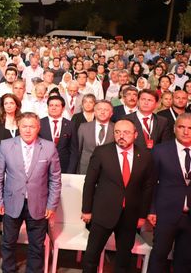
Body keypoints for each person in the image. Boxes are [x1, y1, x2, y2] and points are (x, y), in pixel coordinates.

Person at [81, 120, 155, 273]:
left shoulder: (145, 155)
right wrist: (86, 210)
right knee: (91, 256)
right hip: (103, 213)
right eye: (117, 132)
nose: (121, 136)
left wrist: (142, 215)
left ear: (135, 135)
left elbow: (148, 187)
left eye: (126, 132)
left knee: (124, 258)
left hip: (130, 215)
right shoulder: (102, 152)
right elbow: (89, 182)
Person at [0, 112, 61, 273]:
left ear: (38, 128)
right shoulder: (6, 145)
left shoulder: (49, 147)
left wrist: (52, 204)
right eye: (24, 126)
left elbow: (55, 179)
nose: (28, 130)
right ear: (18, 127)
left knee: (36, 245)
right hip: (11, 202)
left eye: (32, 126)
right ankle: (8, 270)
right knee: (8, 242)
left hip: (39, 204)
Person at [147, 114, 191, 272]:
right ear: (174, 129)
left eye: (190, 128)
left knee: (186, 259)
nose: (186, 132)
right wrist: (151, 210)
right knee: (159, 255)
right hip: (166, 213)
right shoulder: (160, 151)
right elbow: (150, 183)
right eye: (181, 127)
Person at [39, 95, 78, 173]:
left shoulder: (70, 125)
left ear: (63, 108)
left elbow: (74, 151)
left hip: (64, 167)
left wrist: (70, 171)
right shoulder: (39, 123)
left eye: (57, 105)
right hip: (42, 167)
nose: (53, 108)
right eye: (51, 105)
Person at [76, 100, 115, 174]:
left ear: (111, 114)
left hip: (108, 170)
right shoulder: (83, 127)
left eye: (106, 110)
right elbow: (78, 150)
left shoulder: (116, 128)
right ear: (94, 112)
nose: (102, 112)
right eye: (99, 109)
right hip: (85, 168)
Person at [0, 93, 21, 165]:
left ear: (16, 105)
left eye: (11, 103)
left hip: (18, 159)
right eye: (6, 103)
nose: (8, 106)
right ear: (3, 106)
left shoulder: (22, 120)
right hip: (1, 159)